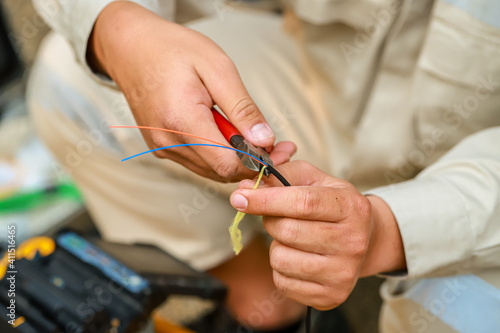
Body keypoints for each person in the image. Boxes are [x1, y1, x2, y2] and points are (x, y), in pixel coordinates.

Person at [28, 0, 500, 332]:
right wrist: (118, 30)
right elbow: (112, 26)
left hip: (482, 185)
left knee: (451, 310)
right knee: (70, 84)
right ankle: (269, 312)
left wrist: (389, 229)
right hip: (333, 91)